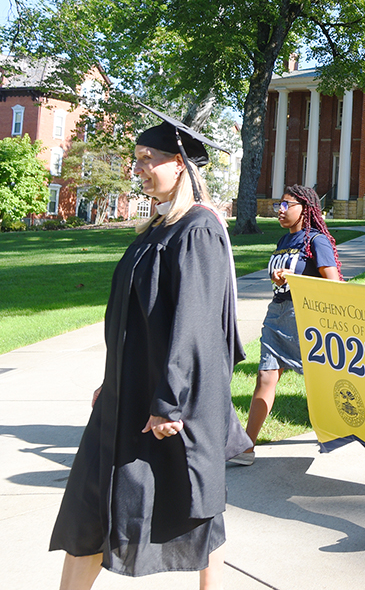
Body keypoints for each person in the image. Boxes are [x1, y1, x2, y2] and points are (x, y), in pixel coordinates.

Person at [51, 111, 250, 589]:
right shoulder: (156, 230)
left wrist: (169, 404)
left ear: (180, 163)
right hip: (127, 394)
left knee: (194, 514)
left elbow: (195, 327)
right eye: (135, 159)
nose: (138, 168)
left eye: (147, 159)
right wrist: (111, 379)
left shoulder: (197, 229)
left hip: (165, 404)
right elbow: (132, 320)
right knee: (90, 507)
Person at [232, 185, 343, 466]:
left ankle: (343, 429)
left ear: (305, 208)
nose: (280, 210)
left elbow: (334, 284)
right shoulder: (284, 239)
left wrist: (295, 278)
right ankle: (247, 446)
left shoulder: (317, 241)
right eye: (279, 205)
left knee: (318, 379)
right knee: (266, 377)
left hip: (303, 316)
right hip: (276, 313)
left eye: (286, 205)